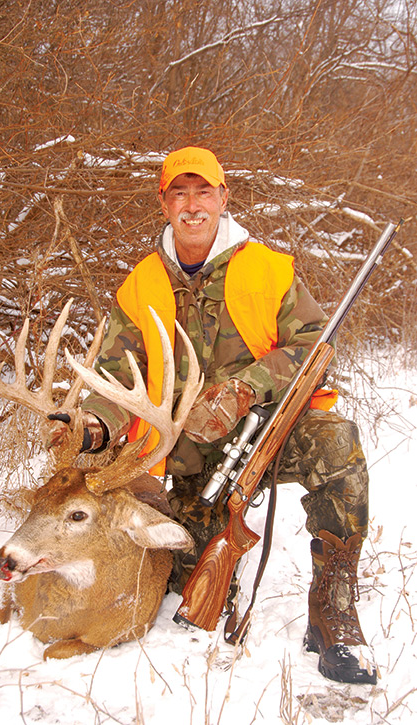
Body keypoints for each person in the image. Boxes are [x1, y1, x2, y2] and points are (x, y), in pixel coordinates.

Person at [46, 146, 377, 685]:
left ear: (224, 198)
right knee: (188, 585)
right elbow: (114, 372)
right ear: (164, 202)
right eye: (180, 192)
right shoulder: (141, 286)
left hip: (269, 431)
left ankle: (333, 608)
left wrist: (248, 388)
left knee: (338, 442)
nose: (192, 204)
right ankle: (224, 562)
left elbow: (317, 343)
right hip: (188, 457)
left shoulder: (268, 269)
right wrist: (93, 424)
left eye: (204, 191)